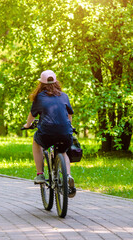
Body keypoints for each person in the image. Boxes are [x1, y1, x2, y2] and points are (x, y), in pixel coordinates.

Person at [23, 70, 76, 198]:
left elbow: (32, 115)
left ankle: (40, 175)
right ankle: (68, 176)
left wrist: (27, 125)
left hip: (47, 133)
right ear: (56, 82)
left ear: (41, 83)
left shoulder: (39, 97)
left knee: (36, 143)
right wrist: (70, 126)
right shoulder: (64, 96)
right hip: (65, 131)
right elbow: (69, 115)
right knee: (63, 152)